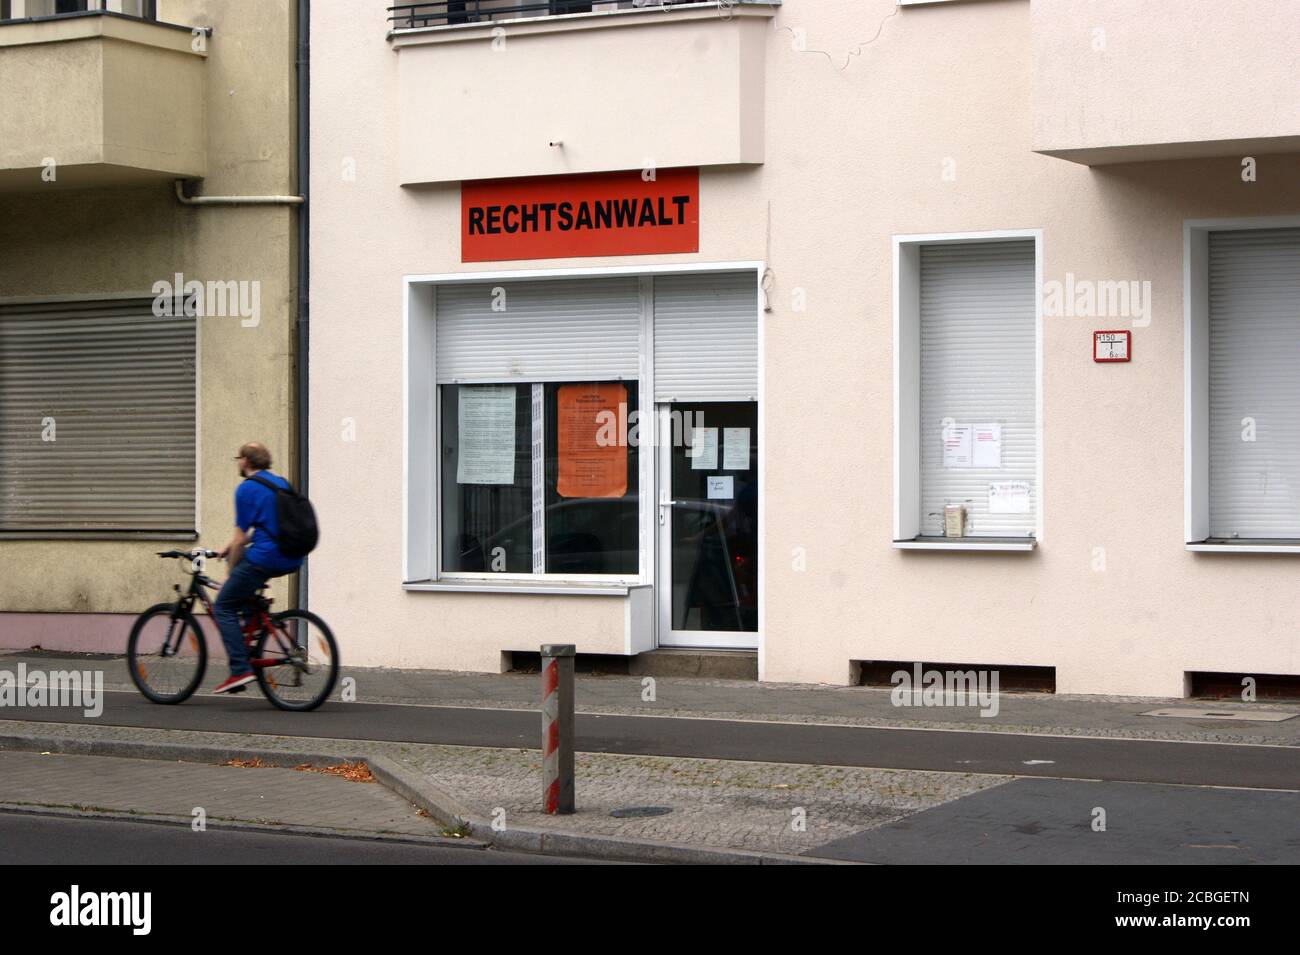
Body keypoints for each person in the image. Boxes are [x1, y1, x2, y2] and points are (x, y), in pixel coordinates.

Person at [211, 442, 304, 694]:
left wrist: (230, 573)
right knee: (245, 574)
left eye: (238, 457)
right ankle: (253, 619)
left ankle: (240, 670)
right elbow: (262, 528)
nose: (237, 462)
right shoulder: (280, 483)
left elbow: (243, 537)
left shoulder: (246, 489)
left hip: (266, 558)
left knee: (223, 606)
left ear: (245, 461)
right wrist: (228, 547)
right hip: (292, 556)